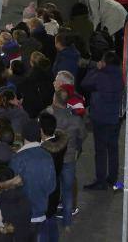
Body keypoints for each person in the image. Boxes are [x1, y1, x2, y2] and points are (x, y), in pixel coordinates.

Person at [81, 50, 123, 190]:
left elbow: (85, 84)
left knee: (100, 150)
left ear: (104, 62)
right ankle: (112, 177)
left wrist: (95, 69)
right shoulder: (120, 74)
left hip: (100, 117)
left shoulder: (100, 75)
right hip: (115, 117)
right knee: (113, 148)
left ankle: (100, 180)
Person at [9, 119, 56, 240]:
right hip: (41, 213)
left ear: (23, 135)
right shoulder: (47, 156)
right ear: (40, 134)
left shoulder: (17, 159)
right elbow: (52, 186)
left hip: (21, 216)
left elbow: (11, 189)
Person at [45, 89, 86, 229]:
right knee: (68, 191)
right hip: (69, 159)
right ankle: (67, 222)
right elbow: (83, 135)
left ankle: (49, 219)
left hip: (52, 159)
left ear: (55, 99)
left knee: (51, 189)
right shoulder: (75, 119)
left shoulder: (48, 116)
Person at [38, 112, 67, 241]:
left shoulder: (43, 151)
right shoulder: (61, 143)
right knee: (51, 218)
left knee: (43, 223)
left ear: (42, 130)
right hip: (56, 186)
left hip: (45, 191)